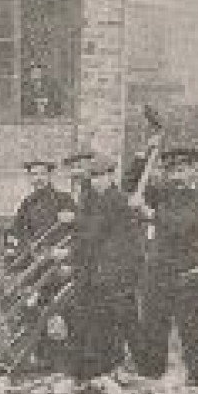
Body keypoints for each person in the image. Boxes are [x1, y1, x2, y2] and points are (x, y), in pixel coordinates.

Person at [132, 146, 198, 383]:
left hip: (189, 272)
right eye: (172, 172)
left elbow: (181, 226)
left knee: (191, 330)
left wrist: (149, 213)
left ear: (192, 171)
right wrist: (144, 154)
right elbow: (132, 184)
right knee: (153, 327)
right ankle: (151, 375)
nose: (177, 177)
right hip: (158, 270)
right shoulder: (165, 193)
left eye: (181, 170)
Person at [60, 151, 143, 380]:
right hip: (94, 272)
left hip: (112, 274)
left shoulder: (115, 200)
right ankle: (93, 371)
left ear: (110, 176)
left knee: (110, 324)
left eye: (101, 176)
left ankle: (112, 369)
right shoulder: (94, 198)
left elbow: (94, 232)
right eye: (93, 177)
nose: (96, 181)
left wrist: (74, 225)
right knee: (92, 322)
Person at [7, 159, 77, 260]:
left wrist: (66, 251)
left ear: (49, 176)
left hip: (57, 258)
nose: (38, 178)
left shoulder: (64, 199)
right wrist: (15, 248)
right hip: (33, 258)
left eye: (42, 174)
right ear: (30, 178)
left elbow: (77, 230)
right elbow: (17, 229)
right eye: (34, 174)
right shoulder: (27, 203)